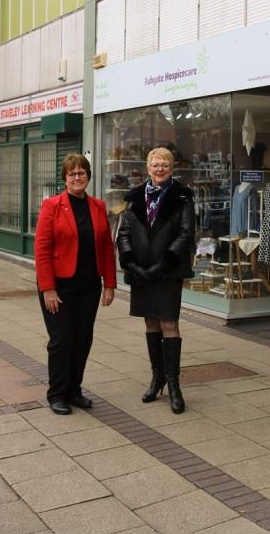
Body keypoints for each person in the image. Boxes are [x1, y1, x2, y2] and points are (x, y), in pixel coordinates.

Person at [35, 154, 117, 415]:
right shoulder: (52, 206)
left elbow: (106, 247)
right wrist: (48, 288)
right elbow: (42, 249)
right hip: (59, 286)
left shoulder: (98, 206)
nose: (77, 177)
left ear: (89, 176)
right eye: (72, 173)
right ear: (65, 178)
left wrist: (110, 284)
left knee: (83, 339)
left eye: (82, 172)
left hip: (88, 285)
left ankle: (74, 389)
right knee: (61, 339)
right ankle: (56, 393)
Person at [116, 147, 195, 414]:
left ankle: (173, 384)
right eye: (155, 164)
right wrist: (132, 263)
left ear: (172, 169)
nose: (159, 169)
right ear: (148, 168)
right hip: (142, 273)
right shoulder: (135, 197)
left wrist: (163, 264)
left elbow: (186, 235)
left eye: (164, 165)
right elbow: (124, 232)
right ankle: (156, 377)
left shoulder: (183, 196)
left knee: (169, 323)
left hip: (168, 272)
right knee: (150, 321)